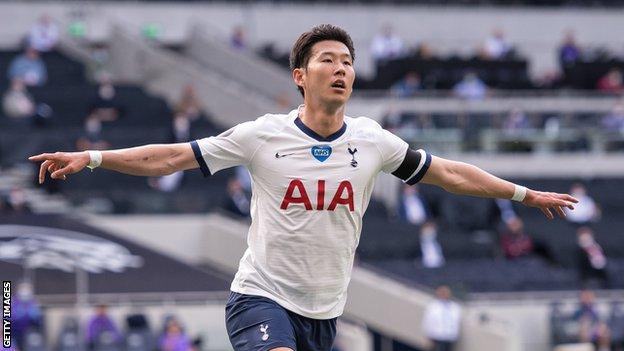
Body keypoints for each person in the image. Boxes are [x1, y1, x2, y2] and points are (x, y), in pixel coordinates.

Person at [30, 24, 578, 351]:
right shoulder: (261, 136)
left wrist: (524, 195)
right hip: (260, 299)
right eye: (327, 60)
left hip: (324, 316)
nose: (340, 69)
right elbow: (172, 157)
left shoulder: (373, 141)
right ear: (300, 75)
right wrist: (94, 156)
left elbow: (452, 173)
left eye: (347, 62)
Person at [422, 285, 461, 351]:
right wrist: (428, 336)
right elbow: (428, 321)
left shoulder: (455, 307)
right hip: (437, 336)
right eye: (442, 293)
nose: (444, 295)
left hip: (449, 337)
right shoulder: (433, 306)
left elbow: (456, 322)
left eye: (446, 293)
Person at [10, 281, 42, 349]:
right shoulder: (13, 302)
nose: (25, 292)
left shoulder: (33, 303)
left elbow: (38, 320)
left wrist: (35, 316)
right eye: (23, 289)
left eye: (27, 289)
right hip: (13, 332)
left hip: (27, 332)